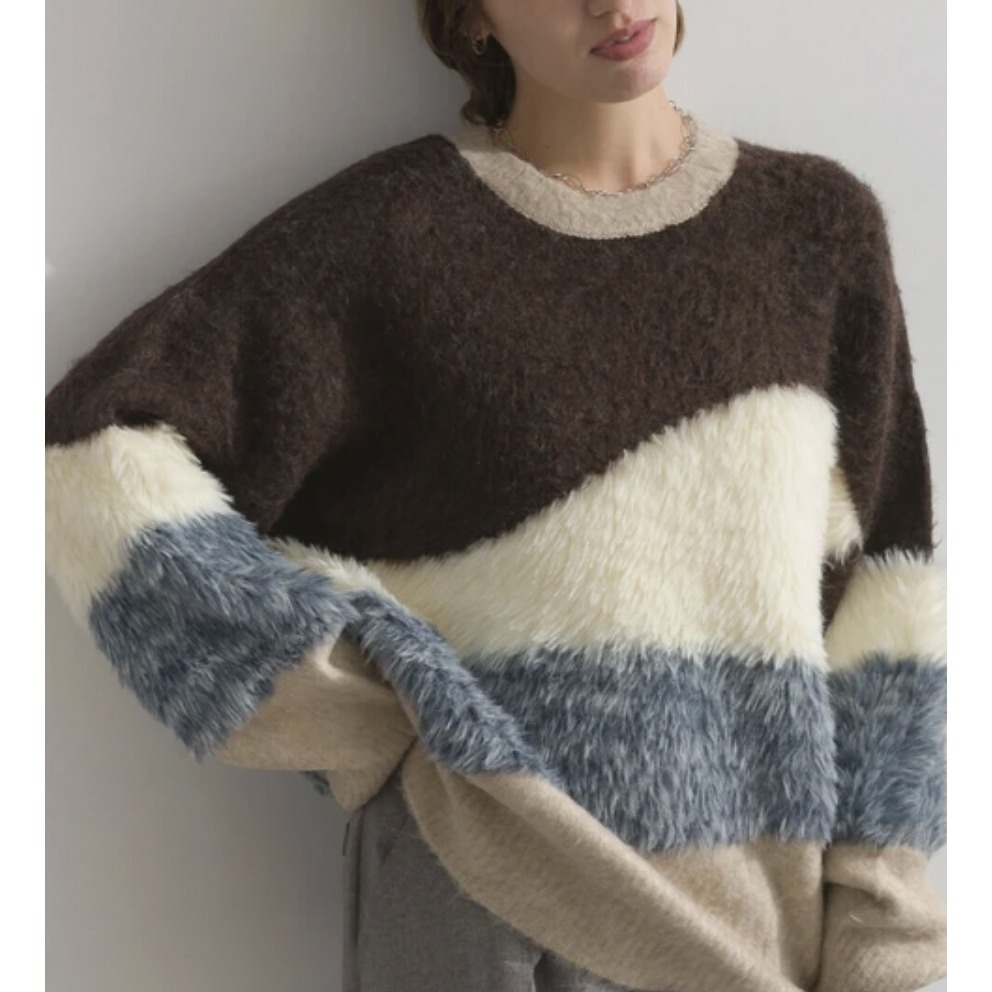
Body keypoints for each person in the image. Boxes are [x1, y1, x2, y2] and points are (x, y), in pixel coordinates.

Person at [45, 2, 947, 991]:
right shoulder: (389, 238)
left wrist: (885, 937)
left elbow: (888, 592)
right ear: (473, 16)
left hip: (753, 936)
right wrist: (350, 711)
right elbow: (91, 450)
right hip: (482, 902)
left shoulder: (813, 231)